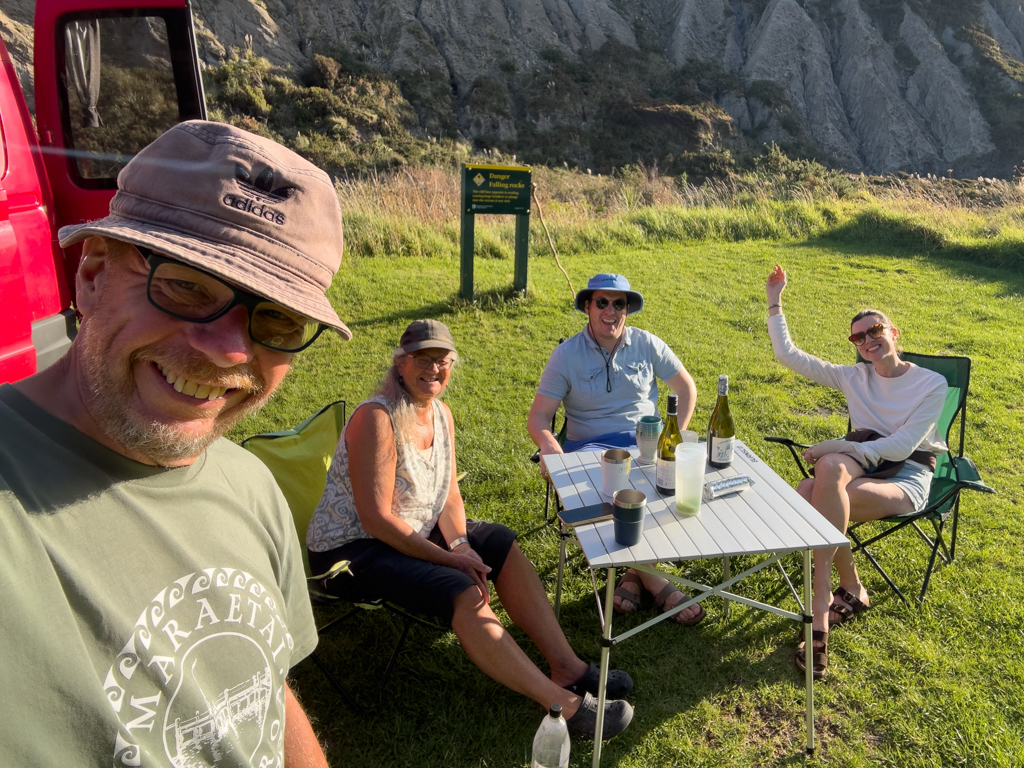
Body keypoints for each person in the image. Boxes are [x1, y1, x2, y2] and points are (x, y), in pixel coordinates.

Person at [0, 121, 349, 766]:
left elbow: (262, 692)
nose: (230, 350)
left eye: (276, 318)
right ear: (93, 273)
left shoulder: (248, 483)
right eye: (186, 285)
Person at [306, 319, 634, 739]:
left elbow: (447, 492)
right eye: (422, 359)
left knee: (500, 543)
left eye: (442, 360)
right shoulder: (377, 418)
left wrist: (460, 544)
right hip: (351, 552)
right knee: (459, 588)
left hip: (413, 527)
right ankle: (563, 707)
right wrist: (450, 560)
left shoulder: (441, 414)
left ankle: (567, 667)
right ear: (401, 364)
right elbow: (376, 519)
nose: (433, 369)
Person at [765, 265, 948, 678]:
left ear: (893, 332)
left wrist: (838, 445)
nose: (867, 341)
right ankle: (834, 595)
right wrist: (775, 301)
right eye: (858, 337)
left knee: (811, 490)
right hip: (862, 461)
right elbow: (788, 356)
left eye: (875, 330)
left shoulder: (931, 384)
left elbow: (901, 446)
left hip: (906, 473)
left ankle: (831, 599)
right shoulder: (854, 377)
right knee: (825, 474)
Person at [526, 273, 705, 627]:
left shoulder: (647, 343)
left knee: (666, 491)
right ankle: (654, 579)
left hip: (645, 444)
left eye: (619, 303)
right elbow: (539, 416)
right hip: (590, 448)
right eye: (602, 303)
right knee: (606, 500)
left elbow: (686, 388)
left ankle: (632, 576)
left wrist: (675, 438)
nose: (610, 311)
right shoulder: (566, 355)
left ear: (627, 309)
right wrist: (548, 445)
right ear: (588, 307)